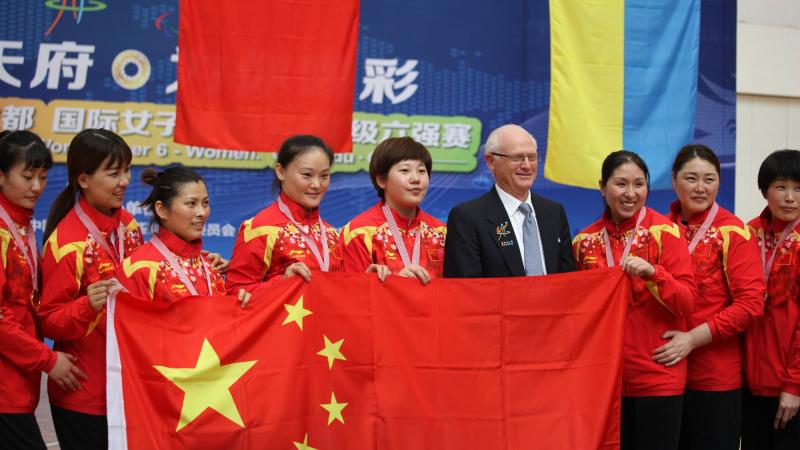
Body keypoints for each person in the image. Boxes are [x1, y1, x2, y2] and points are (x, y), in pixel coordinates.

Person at [572, 150, 696, 450]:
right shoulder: (583, 241)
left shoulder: (666, 233)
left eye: (639, 184)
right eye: (621, 184)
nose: (630, 194)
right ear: (602, 187)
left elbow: (687, 302)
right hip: (602, 382)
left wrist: (656, 274)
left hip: (656, 376)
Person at [38, 129, 144, 450]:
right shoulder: (67, 243)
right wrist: (88, 305)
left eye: (126, 170)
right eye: (113, 173)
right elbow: (49, 319)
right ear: (83, 180)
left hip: (128, 386)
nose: (124, 180)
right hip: (85, 393)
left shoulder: (129, 226)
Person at [661, 144, 765, 450]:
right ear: (673, 179)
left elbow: (751, 304)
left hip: (713, 377)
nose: (700, 187)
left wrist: (691, 339)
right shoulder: (657, 229)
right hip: (662, 374)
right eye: (691, 178)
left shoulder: (734, 232)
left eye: (709, 179)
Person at [0, 131, 85, 450]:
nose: (37, 187)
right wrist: (47, 359)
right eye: (27, 176)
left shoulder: (21, 224)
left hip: (18, 382)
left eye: (43, 177)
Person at [444, 124, 576, 277]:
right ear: (491, 161)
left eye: (532, 157)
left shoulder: (554, 212)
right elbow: (466, 289)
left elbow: (569, 280)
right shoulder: (467, 217)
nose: (527, 166)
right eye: (518, 158)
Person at [227, 135, 343, 294]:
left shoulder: (331, 234)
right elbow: (236, 293)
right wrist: (282, 283)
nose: (317, 185)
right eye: (307, 175)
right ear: (281, 172)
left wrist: (367, 280)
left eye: (324, 176)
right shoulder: (260, 229)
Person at [117, 166, 250, 305]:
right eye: (191, 203)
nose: (202, 212)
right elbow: (129, 325)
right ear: (161, 210)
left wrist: (238, 299)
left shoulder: (211, 267)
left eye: (205, 203)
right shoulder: (139, 269)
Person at [742, 149, 800, 450]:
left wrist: (794, 385)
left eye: (799, 189)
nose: (790, 197)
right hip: (748, 384)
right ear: (765, 190)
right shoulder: (745, 234)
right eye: (781, 186)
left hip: (791, 386)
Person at [341, 137, 446, 283]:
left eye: (422, 171)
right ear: (381, 180)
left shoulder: (442, 233)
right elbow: (351, 294)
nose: (416, 178)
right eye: (405, 170)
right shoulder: (359, 232)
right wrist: (395, 284)